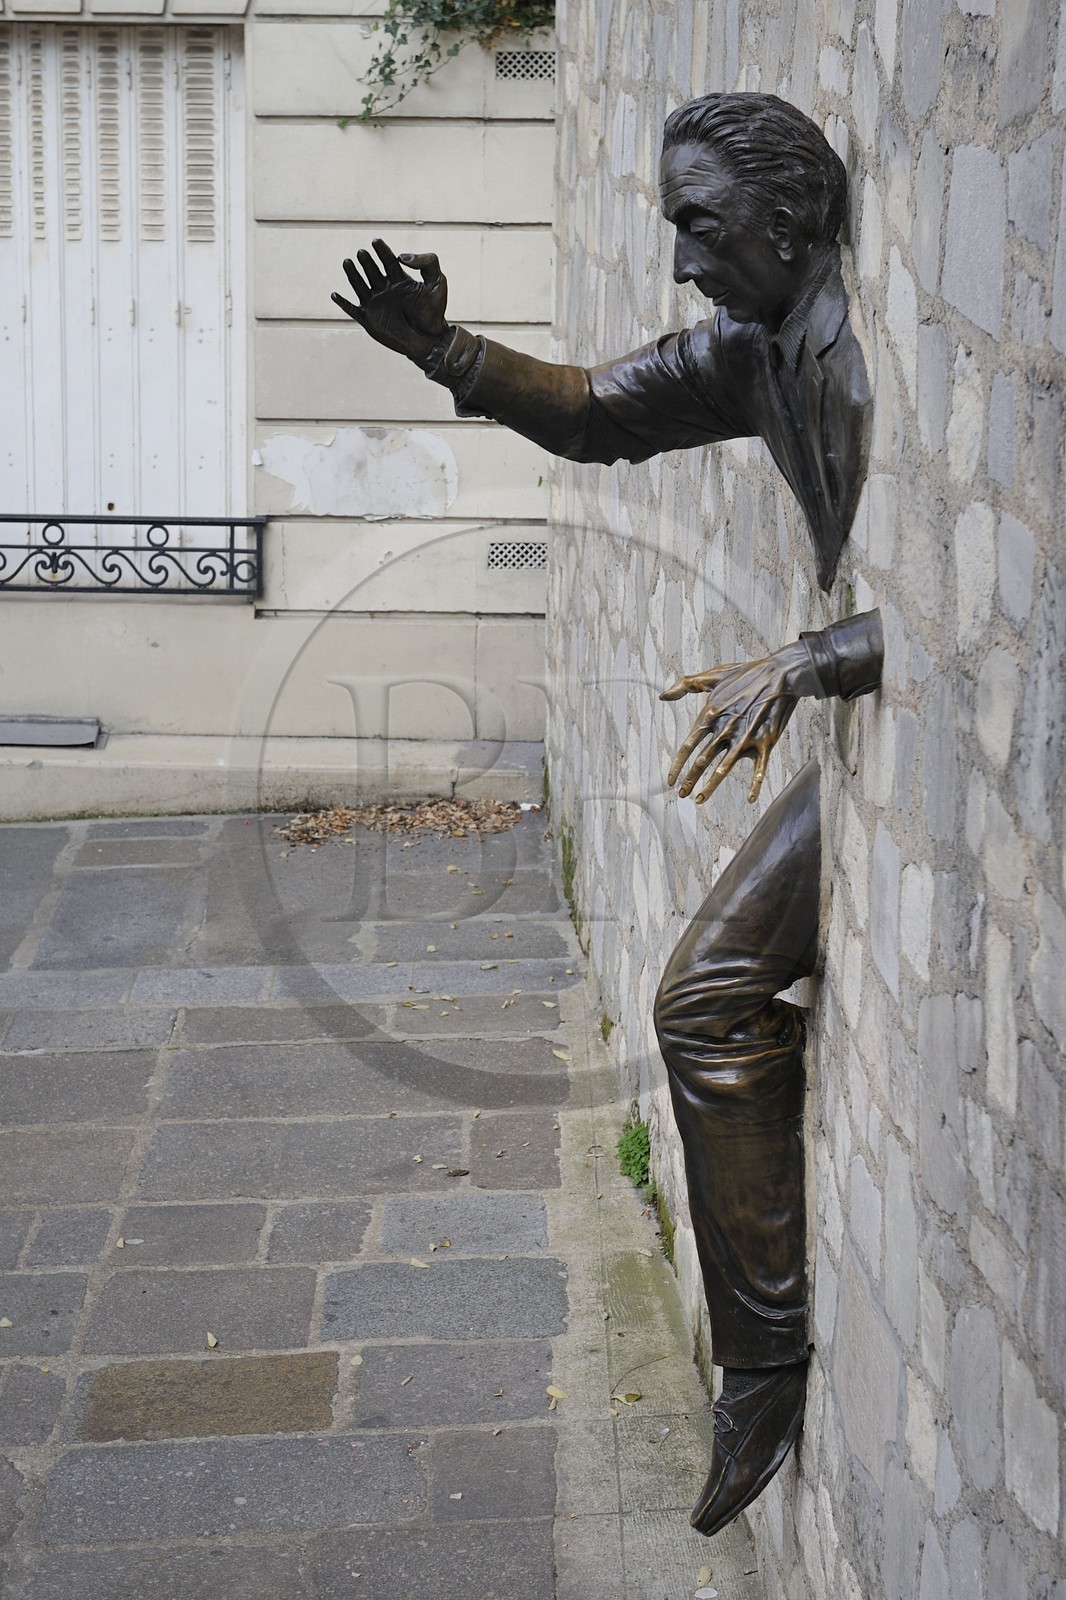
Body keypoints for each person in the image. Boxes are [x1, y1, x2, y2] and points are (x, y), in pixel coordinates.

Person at [333, 91, 883, 1536]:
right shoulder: (756, 349)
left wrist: (809, 660)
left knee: (698, 1000)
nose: (683, 263)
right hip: (863, 741)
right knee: (698, 1000)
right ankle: (760, 1364)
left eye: (701, 226)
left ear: (791, 217)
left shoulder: (880, 366)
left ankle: (760, 1368)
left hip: (886, 726)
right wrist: (443, 351)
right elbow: (590, 414)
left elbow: (986, 626)